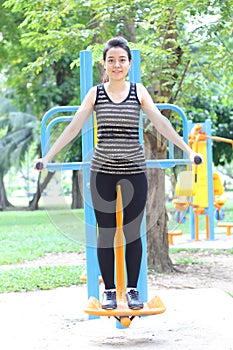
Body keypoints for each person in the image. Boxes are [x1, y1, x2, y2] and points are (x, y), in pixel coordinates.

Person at [34, 37, 202, 310]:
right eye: (111, 60)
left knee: (133, 232)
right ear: (105, 64)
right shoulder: (96, 94)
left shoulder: (139, 92)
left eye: (121, 60)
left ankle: (133, 291)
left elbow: (160, 121)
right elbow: (73, 127)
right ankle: (110, 291)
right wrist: (48, 156)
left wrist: (185, 149)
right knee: (106, 233)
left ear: (129, 64)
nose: (116, 65)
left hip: (134, 170)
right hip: (102, 171)